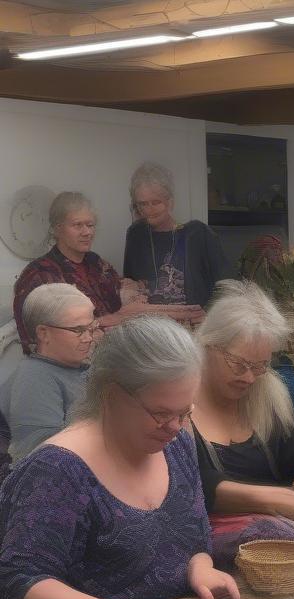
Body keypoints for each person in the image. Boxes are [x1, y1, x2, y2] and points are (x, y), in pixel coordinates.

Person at [0, 316, 239, 599]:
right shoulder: (58, 470)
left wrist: (199, 567)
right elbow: (23, 580)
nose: (174, 427)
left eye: (184, 413)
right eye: (160, 414)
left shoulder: (174, 445)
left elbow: (192, 535)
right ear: (111, 394)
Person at [190, 280, 294, 567]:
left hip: (280, 549)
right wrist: (273, 499)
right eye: (239, 364)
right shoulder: (177, 404)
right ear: (208, 345)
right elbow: (191, 486)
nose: (249, 378)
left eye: (260, 366)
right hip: (207, 548)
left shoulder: (267, 394)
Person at [12, 192, 202, 354]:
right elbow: (34, 342)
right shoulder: (39, 275)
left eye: (90, 225)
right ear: (57, 228)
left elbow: (125, 303)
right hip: (70, 368)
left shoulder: (97, 264)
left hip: (116, 358)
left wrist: (182, 311)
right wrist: (115, 319)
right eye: (78, 225)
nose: (87, 232)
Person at [0, 284, 100, 462]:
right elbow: (41, 457)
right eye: (78, 330)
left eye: (91, 327)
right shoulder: (34, 379)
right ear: (43, 333)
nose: (88, 337)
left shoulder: (75, 366)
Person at [124, 161, 233, 309]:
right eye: (143, 204)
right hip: (150, 322)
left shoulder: (198, 234)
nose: (149, 209)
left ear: (170, 202)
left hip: (194, 322)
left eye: (156, 202)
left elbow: (227, 285)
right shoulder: (136, 235)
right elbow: (130, 283)